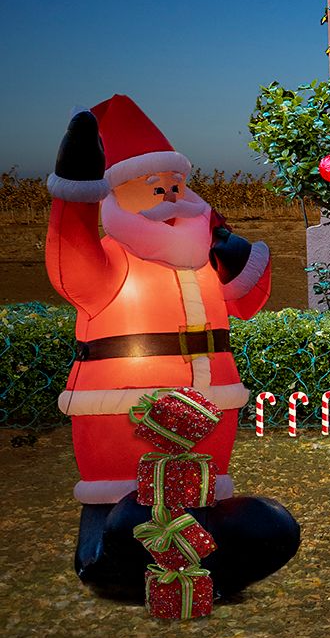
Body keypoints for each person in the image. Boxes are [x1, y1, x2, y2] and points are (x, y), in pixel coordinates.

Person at [46, 95, 299, 599]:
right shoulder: (109, 264)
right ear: (114, 195)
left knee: (256, 521)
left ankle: (200, 559)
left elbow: (247, 301)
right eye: (152, 185)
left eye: (175, 184)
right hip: (123, 417)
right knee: (131, 509)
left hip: (212, 415)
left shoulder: (203, 262)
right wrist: (75, 191)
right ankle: (112, 553)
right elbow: (69, 251)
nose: (169, 195)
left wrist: (233, 250)